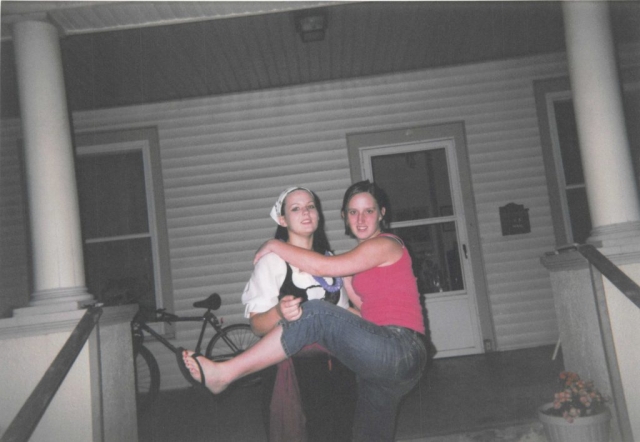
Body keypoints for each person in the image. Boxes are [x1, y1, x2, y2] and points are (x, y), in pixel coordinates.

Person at [183, 180, 427, 442]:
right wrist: (281, 310)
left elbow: (323, 269)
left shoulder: (384, 244)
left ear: (381, 213)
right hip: (373, 363)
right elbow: (363, 313)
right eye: (353, 212)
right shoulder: (346, 263)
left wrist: (274, 243)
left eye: (369, 210)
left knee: (315, 312)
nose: (361, 219)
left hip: (398, 347)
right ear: (344, 216)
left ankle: (225, 373)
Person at [242, 186, 355, 442]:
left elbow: (344, 315)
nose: (306, 212)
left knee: (340, 432)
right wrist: (279, 311)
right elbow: (257, 326)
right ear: (282, 220)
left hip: (338, 368)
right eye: (296, 208)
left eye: (310, 206)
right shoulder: (271, 262)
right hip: (294, 370)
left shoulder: (330, 261)